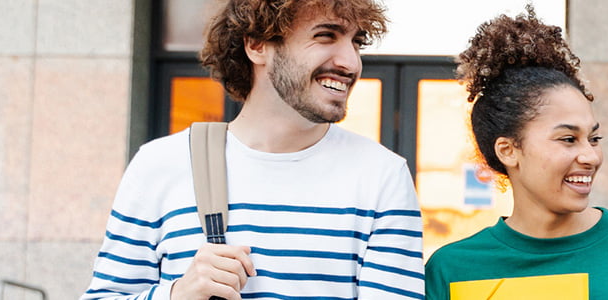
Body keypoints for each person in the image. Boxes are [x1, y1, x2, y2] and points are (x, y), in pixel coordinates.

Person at [81, 0, 424, 299]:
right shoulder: (160, 164)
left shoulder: (383, 176)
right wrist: (177, 293)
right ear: (257, 44)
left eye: (356, 42)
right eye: (326, 36)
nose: (351, 63)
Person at [422, 8, 608, 300]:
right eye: (568, 139)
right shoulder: (452, 270)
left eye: (594, 138)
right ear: (509, 150)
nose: (591, 157)